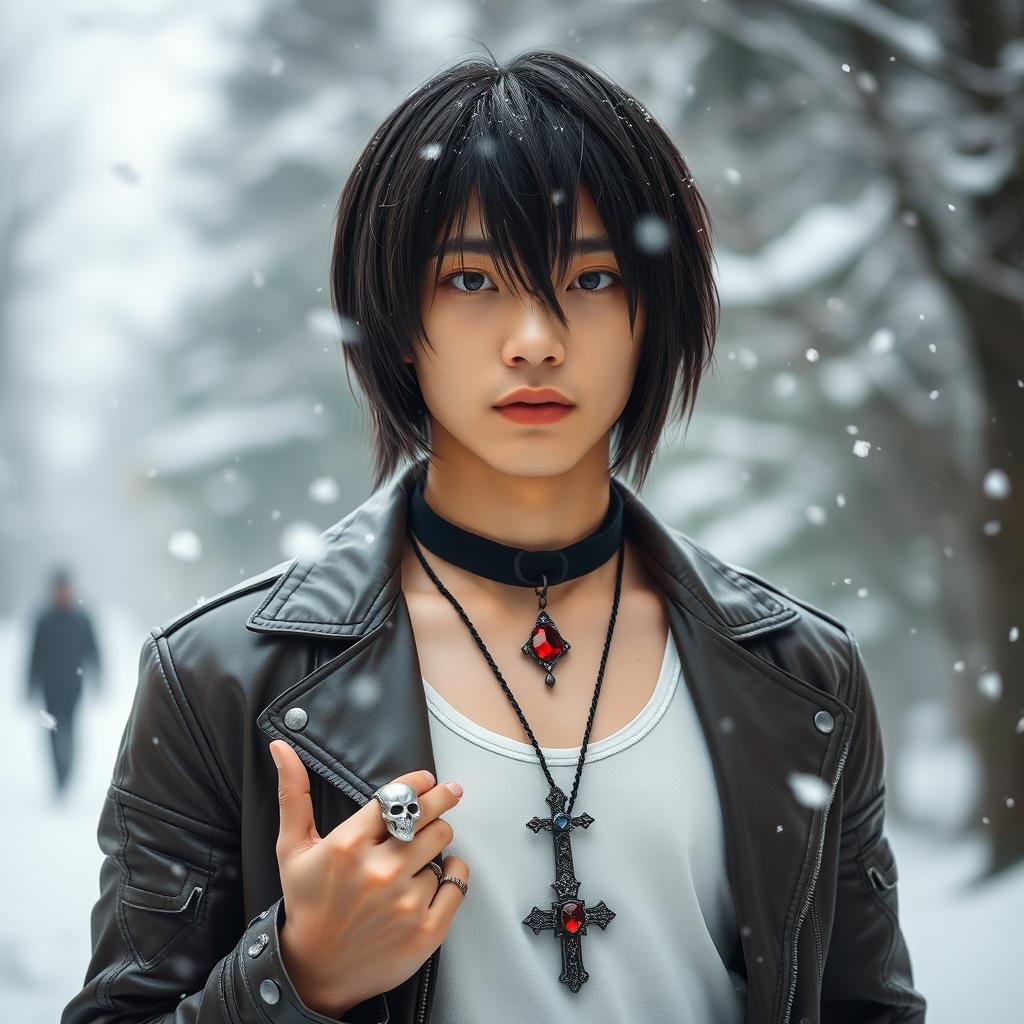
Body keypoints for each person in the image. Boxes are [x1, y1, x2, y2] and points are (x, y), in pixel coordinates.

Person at [62, 46, 926, 1024]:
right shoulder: (222, 677)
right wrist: (295, 978)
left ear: (657, 315)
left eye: (591, 278)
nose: (534, 336)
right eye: (472, 280)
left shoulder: (801, 674)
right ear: (391, 316)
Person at [26, 565, 101, 798]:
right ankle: (58, 776)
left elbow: (94, 650)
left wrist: (98, 675)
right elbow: (34, 654)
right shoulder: (44, 619)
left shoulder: (82, 617)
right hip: (49, 687)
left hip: (73, 686)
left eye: (65, 588)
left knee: (69, 729)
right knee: (51, 730)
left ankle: (67, 772)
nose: (62, 593)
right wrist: (29, 683)